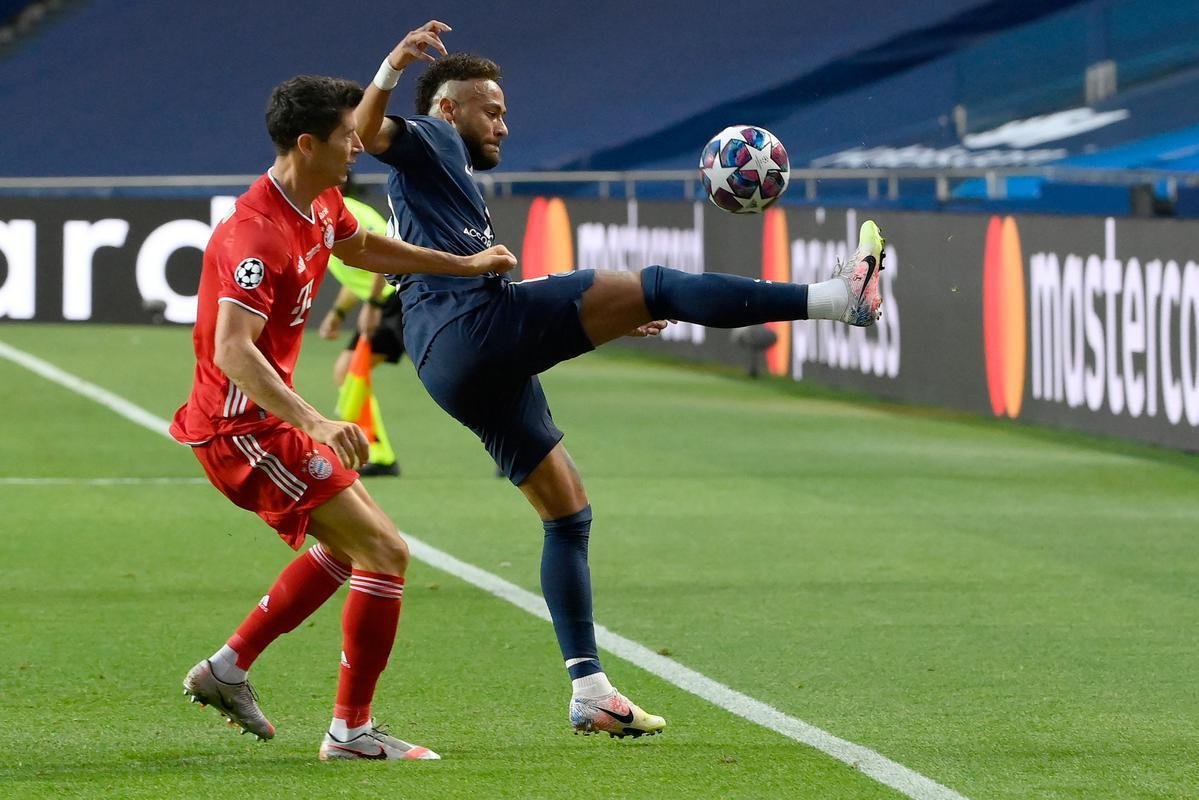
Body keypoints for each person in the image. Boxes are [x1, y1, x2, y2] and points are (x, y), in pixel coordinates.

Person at [356, 21, 885, 739]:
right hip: (472, 327)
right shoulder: (431, 135)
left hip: (447, 358)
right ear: (449, 107)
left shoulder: (439, 178)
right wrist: (391, 64)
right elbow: (365, 131)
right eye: (492, 110)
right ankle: (835, 299)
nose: (504, 125)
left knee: (566, 513)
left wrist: (606, 314)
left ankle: (590, 691)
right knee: (661, 284)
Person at [170, 73, 516, 761]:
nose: (360, 143)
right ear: (306, 143)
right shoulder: (254, 235)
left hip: (267, 423)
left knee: (345, 546)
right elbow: (233, 352)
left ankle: (226, 670)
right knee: (384, 552)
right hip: (240, 431)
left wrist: (461, 264)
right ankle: (351, 732)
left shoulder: (321, 202)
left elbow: (361, 249)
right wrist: (316, 420)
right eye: (345, 135)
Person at [317, 178, 405, 477]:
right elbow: (360, 275)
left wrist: (374, 306)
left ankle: (378, 454)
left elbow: (387, 250)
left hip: (399, 299)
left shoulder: (347, 211)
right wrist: (339, 312)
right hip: (389, 301)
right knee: (348, 370)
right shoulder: (326, 217)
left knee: (455, 371)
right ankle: (377, 454)